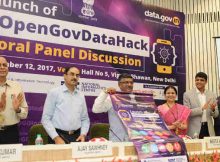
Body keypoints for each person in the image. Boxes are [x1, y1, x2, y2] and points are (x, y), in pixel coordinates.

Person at [41, 66, 90, 144]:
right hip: (58, 136)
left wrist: (83, 134)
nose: (75, 77)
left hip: (77, 137)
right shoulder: (54, 93)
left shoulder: (81, 95)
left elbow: (85, 119)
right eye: (72, 74)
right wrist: (56, 138)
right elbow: (46, 119)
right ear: (65, 76)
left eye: (77, 75)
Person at [92, 73, 133, 142]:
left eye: (131, 82)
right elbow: (96, 109)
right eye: (126, 82)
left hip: (134, 140)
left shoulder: (136, 99)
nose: (129, 85)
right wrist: (105, 92)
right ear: (119, 84)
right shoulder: (113, 98)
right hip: (117, 139)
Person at [0, 56, 28, 144]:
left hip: (11, 132)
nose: (2, 67)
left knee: (14, 158)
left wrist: (18, 109)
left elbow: (25, 114)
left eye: (4, 65)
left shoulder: (16, 86)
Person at [183, 72, 219, 139]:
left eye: (201, 80)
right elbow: (186, 112)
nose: (199, 82)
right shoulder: (187, 94)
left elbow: (216, 115)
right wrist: (201, 109)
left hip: (208, 129)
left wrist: (213, 109)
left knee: (208, 149)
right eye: (197, 80)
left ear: (206, 82)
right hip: (194, 130)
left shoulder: (212, 95)